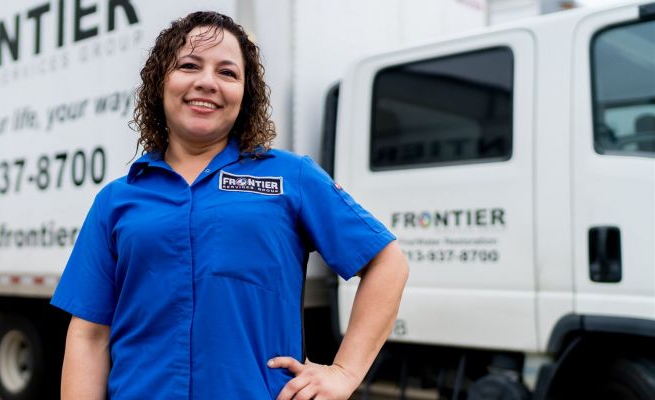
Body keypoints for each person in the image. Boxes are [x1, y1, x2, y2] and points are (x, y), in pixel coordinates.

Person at [51, 11, 409, 400]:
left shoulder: (292, 177)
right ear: (160, 83)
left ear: (245, 93)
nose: (207, 82)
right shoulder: (117, 200)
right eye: (189, 65)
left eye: (228, 73)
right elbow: (89, 336)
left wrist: (344, 372)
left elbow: (387, 263)